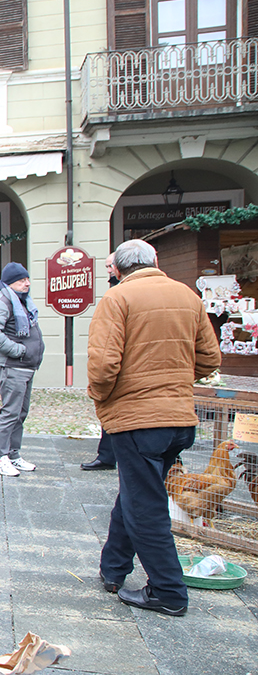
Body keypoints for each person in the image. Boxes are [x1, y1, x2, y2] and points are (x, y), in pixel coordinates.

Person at [89, 238, 220, 617]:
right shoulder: (187, 296)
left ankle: (168, 591)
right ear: (155, 260)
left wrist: (105, 399)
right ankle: (113, 569)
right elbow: (210, 357)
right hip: (178, 419)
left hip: (139, 421)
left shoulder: (117, 300)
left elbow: (102, 367)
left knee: (145, 505)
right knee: (136, 492)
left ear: (118, 269)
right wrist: (175, 381)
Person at [0, 262, 44, 477]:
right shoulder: (2, 302)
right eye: (21, 280)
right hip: (12, 366)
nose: (26, 283)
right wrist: (19, 350)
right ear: (9, 283)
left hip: (25, 366)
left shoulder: (22, 301)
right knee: (10, 412)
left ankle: (13, 455)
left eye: (27, 279)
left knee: (21, 413)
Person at [82, 253, 120, 471]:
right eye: (106, 266)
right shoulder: (113, 287)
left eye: (111, 265)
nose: (107, 270)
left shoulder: (120, 292)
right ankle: (106, 456)